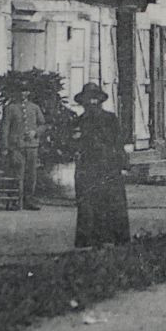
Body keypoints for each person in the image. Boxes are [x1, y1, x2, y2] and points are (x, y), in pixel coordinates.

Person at [71, 83, 130, 248]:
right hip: (88, 168)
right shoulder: (80, 121)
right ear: (83, 102)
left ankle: (115, 238)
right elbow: (74, 144)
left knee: (112, 202)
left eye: (95, 99)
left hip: (109, 166)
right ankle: (90, 240)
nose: (92, 103)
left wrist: (123, 162)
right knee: (89, 204)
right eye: (88, 99)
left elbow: (118, 142)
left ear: (100, 101)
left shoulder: (110, 119)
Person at [0, 88, 45, 210]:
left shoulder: (35, 107)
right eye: (20, 91)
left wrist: (35, 132)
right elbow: (4, 128)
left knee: (31, 175)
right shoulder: (10, 108)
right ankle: (14, 200)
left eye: (25, 91)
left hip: (32, 146)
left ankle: (28, 200)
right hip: (16, 146)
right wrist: (4, 147)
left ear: (28, 93)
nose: (22, 94)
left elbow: (43, 124)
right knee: (16, 173)